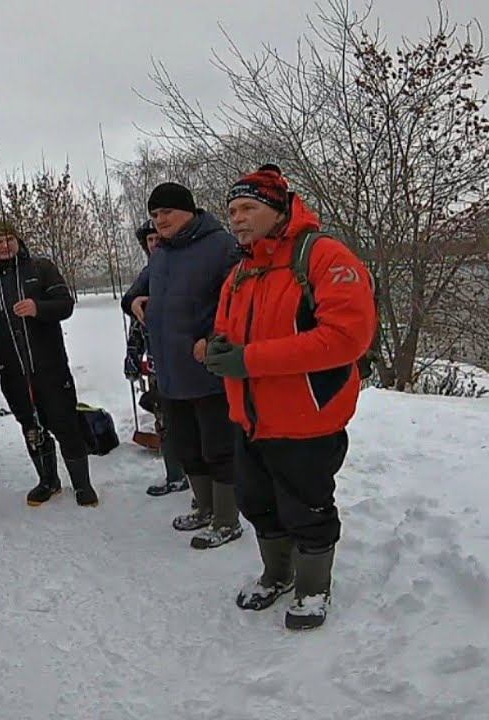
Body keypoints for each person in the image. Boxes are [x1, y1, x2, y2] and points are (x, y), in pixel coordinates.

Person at [207, 166, 376, 630]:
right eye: (232, 211)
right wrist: (213, 347)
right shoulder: (241, 271)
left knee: (307, 508)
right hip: (250, 419)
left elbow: (346, 339)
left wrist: (250, 360)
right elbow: (225, 331)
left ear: (278, 208)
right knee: (258, 503)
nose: (237, 219)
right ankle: (276, 573)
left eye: (248, 208)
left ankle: (313, 587)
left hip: (307, 421)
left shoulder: (323, 256)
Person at [127, 182, 243, 549]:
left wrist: (212, 337)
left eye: (167, 213)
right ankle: (204, 507)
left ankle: (227, 519)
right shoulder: (161, 254)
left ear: (189, 211)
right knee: (187, 447)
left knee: (218, 448)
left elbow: (238, 304)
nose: (160, 221)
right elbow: (134, 292)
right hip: (170, 371)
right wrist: (134, 303)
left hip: (207, 370)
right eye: (155, 215)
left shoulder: (221, 246)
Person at [0, 220, 98, 507]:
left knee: (64, 422)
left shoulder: (40, 268)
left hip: (50, 366)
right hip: (12, 369)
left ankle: (83, 485)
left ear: (18, 241)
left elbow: (65, 304)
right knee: (30, 425)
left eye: (9, 239)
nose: (4, 246)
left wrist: (38, 308)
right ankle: (48, 481)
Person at [122, 220, 189, 497]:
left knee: (198, 423)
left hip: (190, 357)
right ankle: (176, 475)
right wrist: (133, 354)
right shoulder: (149, 273)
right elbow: (135, 313)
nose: (154, 243)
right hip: (159, 359)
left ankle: (211, 485)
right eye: (149, 240)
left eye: (157, 237)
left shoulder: (185, 265)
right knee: (166, 419)